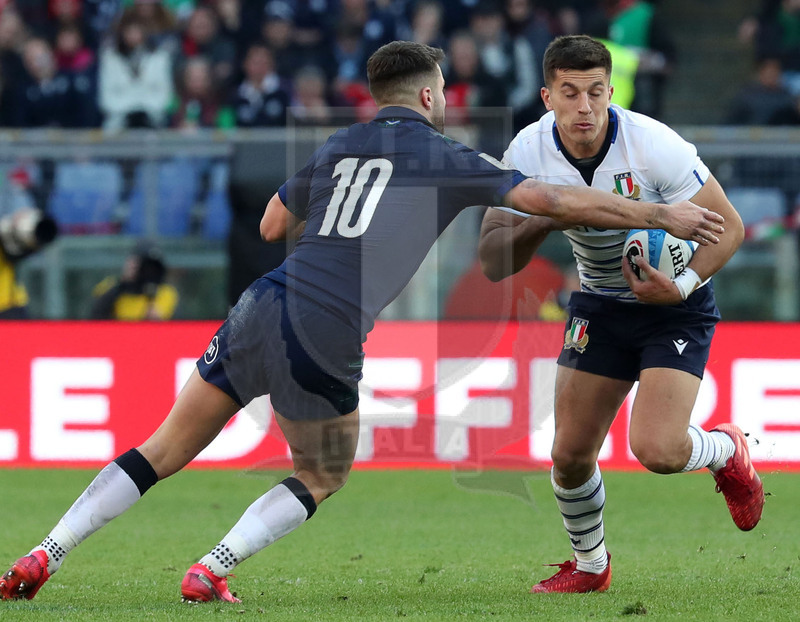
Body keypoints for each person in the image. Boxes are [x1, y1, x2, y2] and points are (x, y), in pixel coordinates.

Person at [0, 40, 723, 604]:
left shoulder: (340, 142)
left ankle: (45, 552)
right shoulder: (445, 156)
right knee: (322, 472)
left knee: (160, 448)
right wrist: (659, 213)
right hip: (326, 327)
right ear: (431, 95)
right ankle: (210, 569)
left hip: (263, 300)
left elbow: (273, 218)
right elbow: (555, 203)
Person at [478, 35, 760, 594]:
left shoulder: (654, 145)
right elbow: (491, 257)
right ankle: (590, 567)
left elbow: (729, 228)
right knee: (569, 456)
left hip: (673, 309)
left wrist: (679, 286)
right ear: (547, 96)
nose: (585, 107)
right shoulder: (528, 152)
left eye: (596, 93)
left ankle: (727, 448)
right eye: (570, 93)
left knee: (657, 451)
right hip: (599, 306)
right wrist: (549, 214)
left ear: (611, 92)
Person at [89, 241, 179, 320]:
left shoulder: (165, 291)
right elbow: (95, 314)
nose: (146, 269)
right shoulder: (110, 284)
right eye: (142, 264)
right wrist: (123, 283)